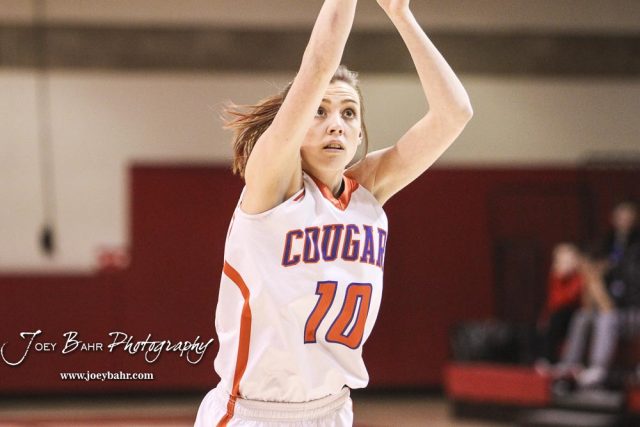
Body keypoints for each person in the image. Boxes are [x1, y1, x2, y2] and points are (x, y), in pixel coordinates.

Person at [194, 0, 472, 426]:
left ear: (359, 134)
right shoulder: (271, 182)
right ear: (295, 124)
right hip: (255, 414)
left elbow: (455, 114)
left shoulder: (369, 191)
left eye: (348, 113)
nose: (336, 124)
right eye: (319, 111)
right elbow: (319, 64)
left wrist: (401, 14)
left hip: (332, 411)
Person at [554, 201, 639, 389]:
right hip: (611, 307)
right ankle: (570, 364)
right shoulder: (608, 242)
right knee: (582, 317)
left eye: (629, 215)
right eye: (621, 215)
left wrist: (608, 277)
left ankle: (599, 368)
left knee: (607, 318)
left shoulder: (635, 248)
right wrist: (595, 278)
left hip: (632, 309)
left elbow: (629, 285)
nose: (625, 220)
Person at [536, 243, 584, 366]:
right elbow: (554, 301)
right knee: (552, 320)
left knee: (563, 318)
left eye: (568, 260)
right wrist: (559, 278)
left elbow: (572, 297)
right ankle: (546, 358)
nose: (565, 264)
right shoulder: (555, 277)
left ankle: (569, 361)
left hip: (574, 312)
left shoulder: (579, 276)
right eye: (562, 260)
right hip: (558, 313)